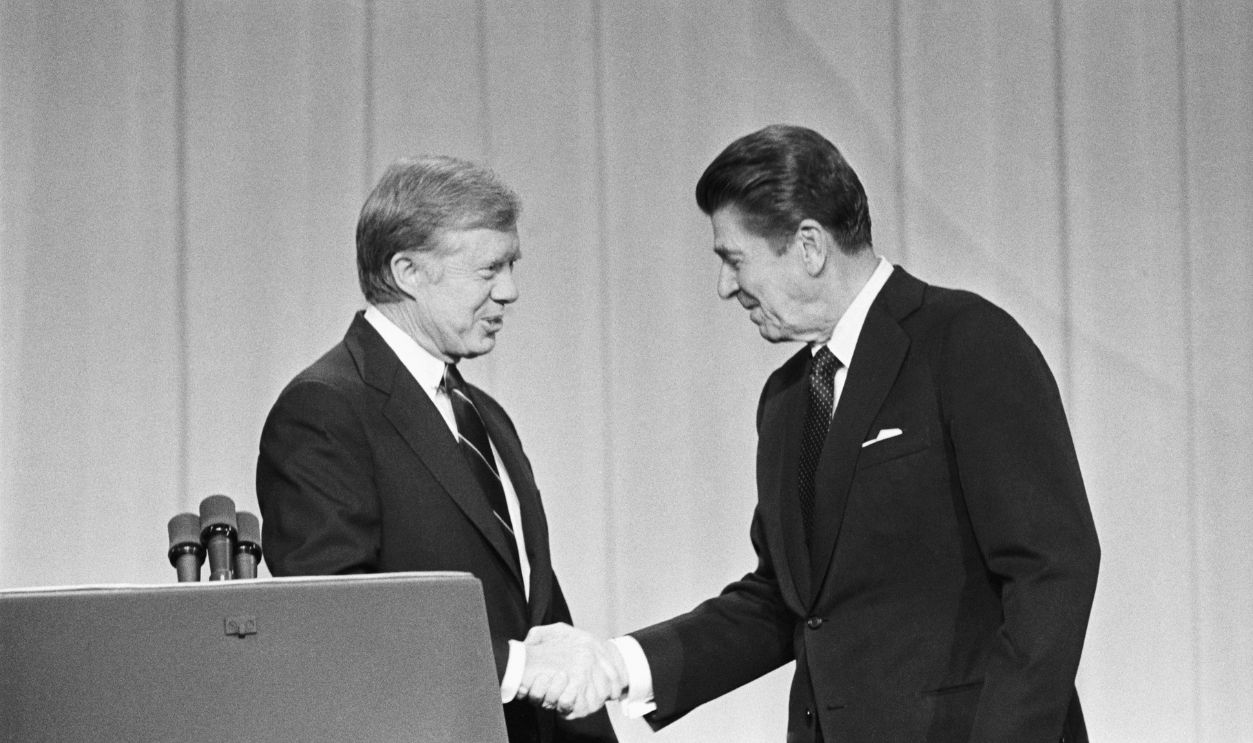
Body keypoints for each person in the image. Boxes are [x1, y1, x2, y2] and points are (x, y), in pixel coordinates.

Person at [521, 125, 1101, 743]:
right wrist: (617, 664)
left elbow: (1051, 568)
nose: (725, 287)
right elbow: (784, 602)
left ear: (809, 246)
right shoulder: (787, 399)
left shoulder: (966, 341)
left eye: (733, 259)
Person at [256, 155, 620, 743]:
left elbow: (536, 610)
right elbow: (336, 624)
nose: (510, 291)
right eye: (489, 269)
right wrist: (517, 669)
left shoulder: (484, 413)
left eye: (512, 265)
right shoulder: (324, 409)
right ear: (408, 271)